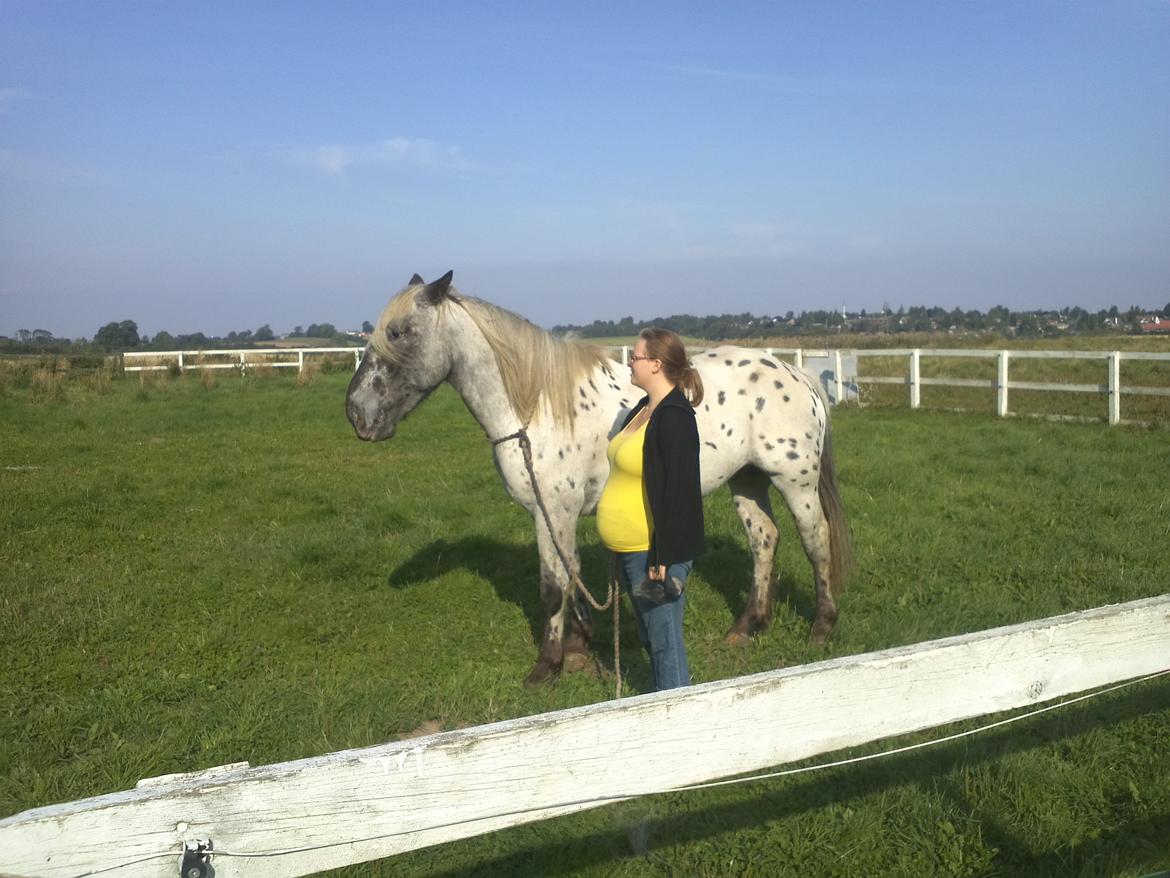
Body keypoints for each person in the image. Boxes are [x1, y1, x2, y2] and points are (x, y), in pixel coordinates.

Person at [597, 328, 705, 691]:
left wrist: (663, 558)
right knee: (650, 638)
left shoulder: (675, 417)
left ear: (656, 364)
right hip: (631, 550)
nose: (630, 361)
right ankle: (662, 707)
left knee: (665, 645)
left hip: (653, 552)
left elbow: (681, 495)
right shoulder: (644, 409)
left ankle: (677, 719)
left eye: (636, 356)